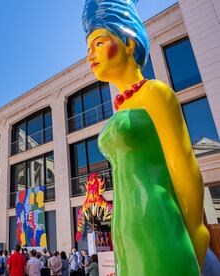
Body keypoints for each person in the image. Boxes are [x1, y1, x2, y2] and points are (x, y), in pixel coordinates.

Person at [82, 0, 206, 274]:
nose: (90, 55)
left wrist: (196, 233)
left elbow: (185, 168)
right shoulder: (123, 105)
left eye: (99, 43)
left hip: (159, 222)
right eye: (88, 47)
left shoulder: (155, 93)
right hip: (125, 228)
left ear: (128, 42)